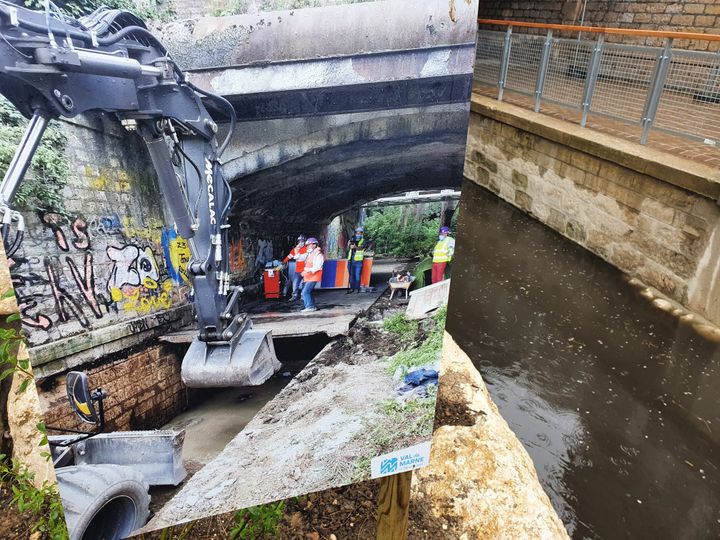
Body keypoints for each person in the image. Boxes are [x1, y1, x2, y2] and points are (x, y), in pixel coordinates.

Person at [301, 237, 324, 312]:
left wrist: (307, 271)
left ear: (314, 245)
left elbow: (317, 267)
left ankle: (310, 307)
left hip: (314, 276)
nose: (307, 246)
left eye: (309, 245)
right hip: (309, 276)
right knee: (307, 291)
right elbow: (298, 257)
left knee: (305, 291)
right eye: (307, 245)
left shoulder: (318, 254)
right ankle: (311, 306)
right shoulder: (310, 253)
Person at [283, 235, 308, 300]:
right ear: (297, 242)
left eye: (302, 241)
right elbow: (289, 256)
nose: (301, 242)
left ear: (305, 242)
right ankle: (294, 296)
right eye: (299, 241)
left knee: (305, 284)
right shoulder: (295, 249)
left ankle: (303, 296)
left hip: (306, 270)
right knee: (295, 284)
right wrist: (283, 262)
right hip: (298, 270)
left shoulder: (307, 249)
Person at [346, 226, 368, 294]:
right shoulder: (352, 239)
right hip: (350, 261)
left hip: (358, 261)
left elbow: (361, 248)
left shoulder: (363, 241)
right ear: (355, 233)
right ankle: (352, 288)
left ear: (362, 234)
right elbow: (348, 250)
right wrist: (348, 245)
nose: (358, 234)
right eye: (357, 233)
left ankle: (357, 289)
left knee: (357, 275)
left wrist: (355, 247)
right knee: (351, 275)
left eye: (360, 233)